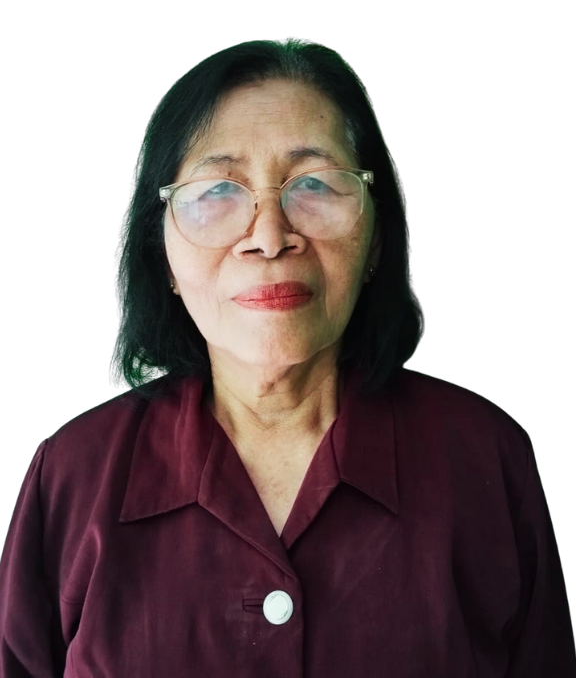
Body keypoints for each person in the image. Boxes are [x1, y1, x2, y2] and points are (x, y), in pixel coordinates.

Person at [0, 38, 574, 677]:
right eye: (219, 190)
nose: (270, 237)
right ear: (161, 253)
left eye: (314, 184)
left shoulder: (484, 458)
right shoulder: (72, 476)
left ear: (376, 238)